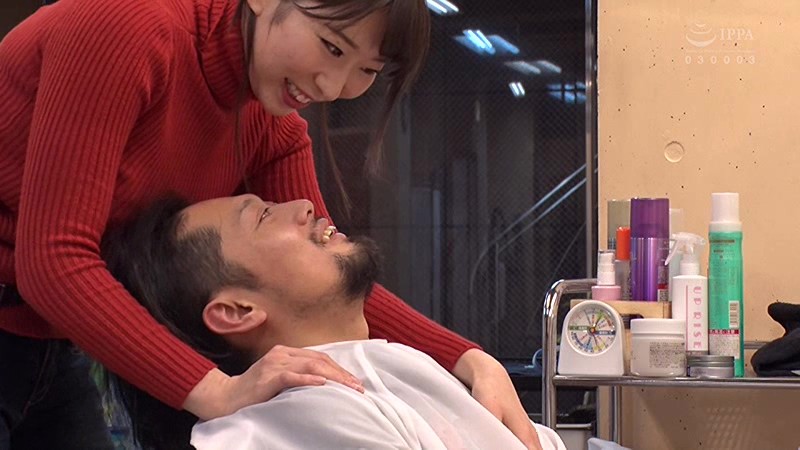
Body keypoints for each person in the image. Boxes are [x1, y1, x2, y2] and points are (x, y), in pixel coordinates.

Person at [0, 0, 541, 448]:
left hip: (52, 340)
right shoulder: (125, 24)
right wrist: (217, 390)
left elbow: (329, 268)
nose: (333, 85)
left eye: (368, 71)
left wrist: (472, 360)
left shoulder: (269, 121)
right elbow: (52, 260)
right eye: (332, 47)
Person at [100, 194, 561, 450]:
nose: (304, 204)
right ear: (237, 311)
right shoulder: (297, 416)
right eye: (264, 216)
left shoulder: (395, 367)